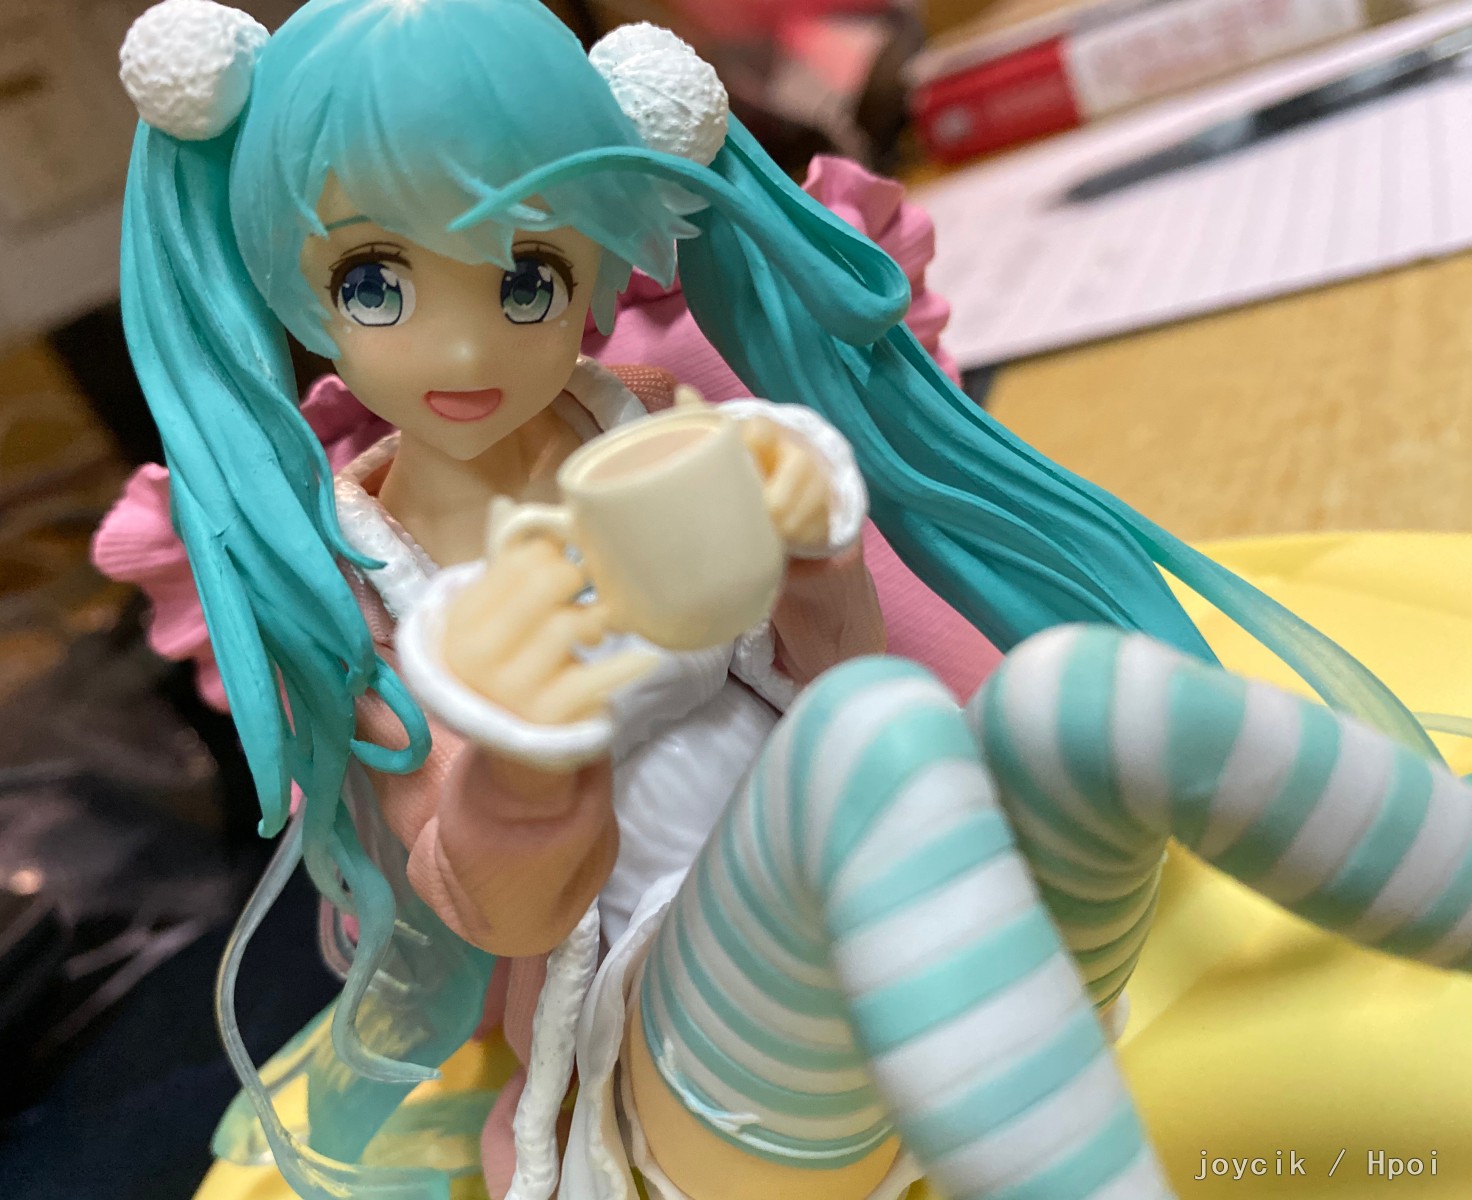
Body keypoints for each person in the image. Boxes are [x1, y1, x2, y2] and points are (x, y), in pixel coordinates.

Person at [114, 2, 1472, 1197]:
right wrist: (526, 752)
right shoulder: (350, 577)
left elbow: (827, 676)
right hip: (704, 1081)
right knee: (871, 734)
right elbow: (501, 916)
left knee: (1079, 691)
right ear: (295, 278)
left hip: (950, 953)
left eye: (527, 279)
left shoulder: (649, 421)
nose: (463, 343)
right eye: (376, 282)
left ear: (592, 262)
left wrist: (815, 560)